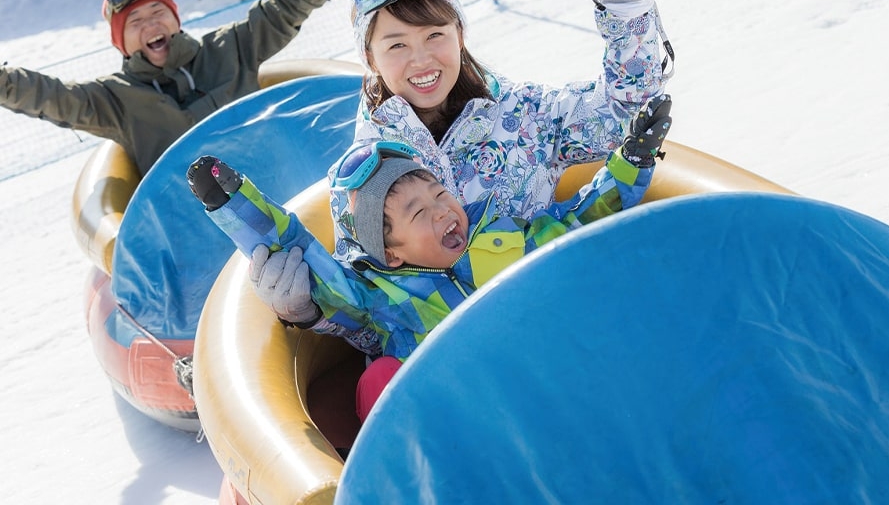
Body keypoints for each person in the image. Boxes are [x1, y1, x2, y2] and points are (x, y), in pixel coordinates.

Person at [248, 0, 675, 337]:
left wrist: (625, 1)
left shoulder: (523, 116)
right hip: (458, 372)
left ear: (459, 34)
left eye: (435, 34)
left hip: (560, 319)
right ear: (370, 58)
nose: (421, 60)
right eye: (396, 44)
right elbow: (371, 318)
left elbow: (624, 111)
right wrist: (306, 312)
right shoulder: (363, 177)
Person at [188, 93, 672, 420]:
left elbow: (583, 216)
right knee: (380, 380)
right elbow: (306, 258)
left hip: (553, 384)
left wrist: (631, 159)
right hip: (467, 421)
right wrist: (232, 202)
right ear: (390, 254)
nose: (443, 211)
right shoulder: (383, 300)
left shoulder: (505, 237)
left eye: (440, 194)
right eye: (419, 212)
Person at [0, 0, 359, 176]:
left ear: (175, 18)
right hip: (199, 231)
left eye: (158, 12)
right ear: (120, 43)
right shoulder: (115, 101)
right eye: (135, 23)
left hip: (276, 184)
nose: (151, 25)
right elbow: (49, 95)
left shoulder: (230, 49)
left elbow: (284, 6)